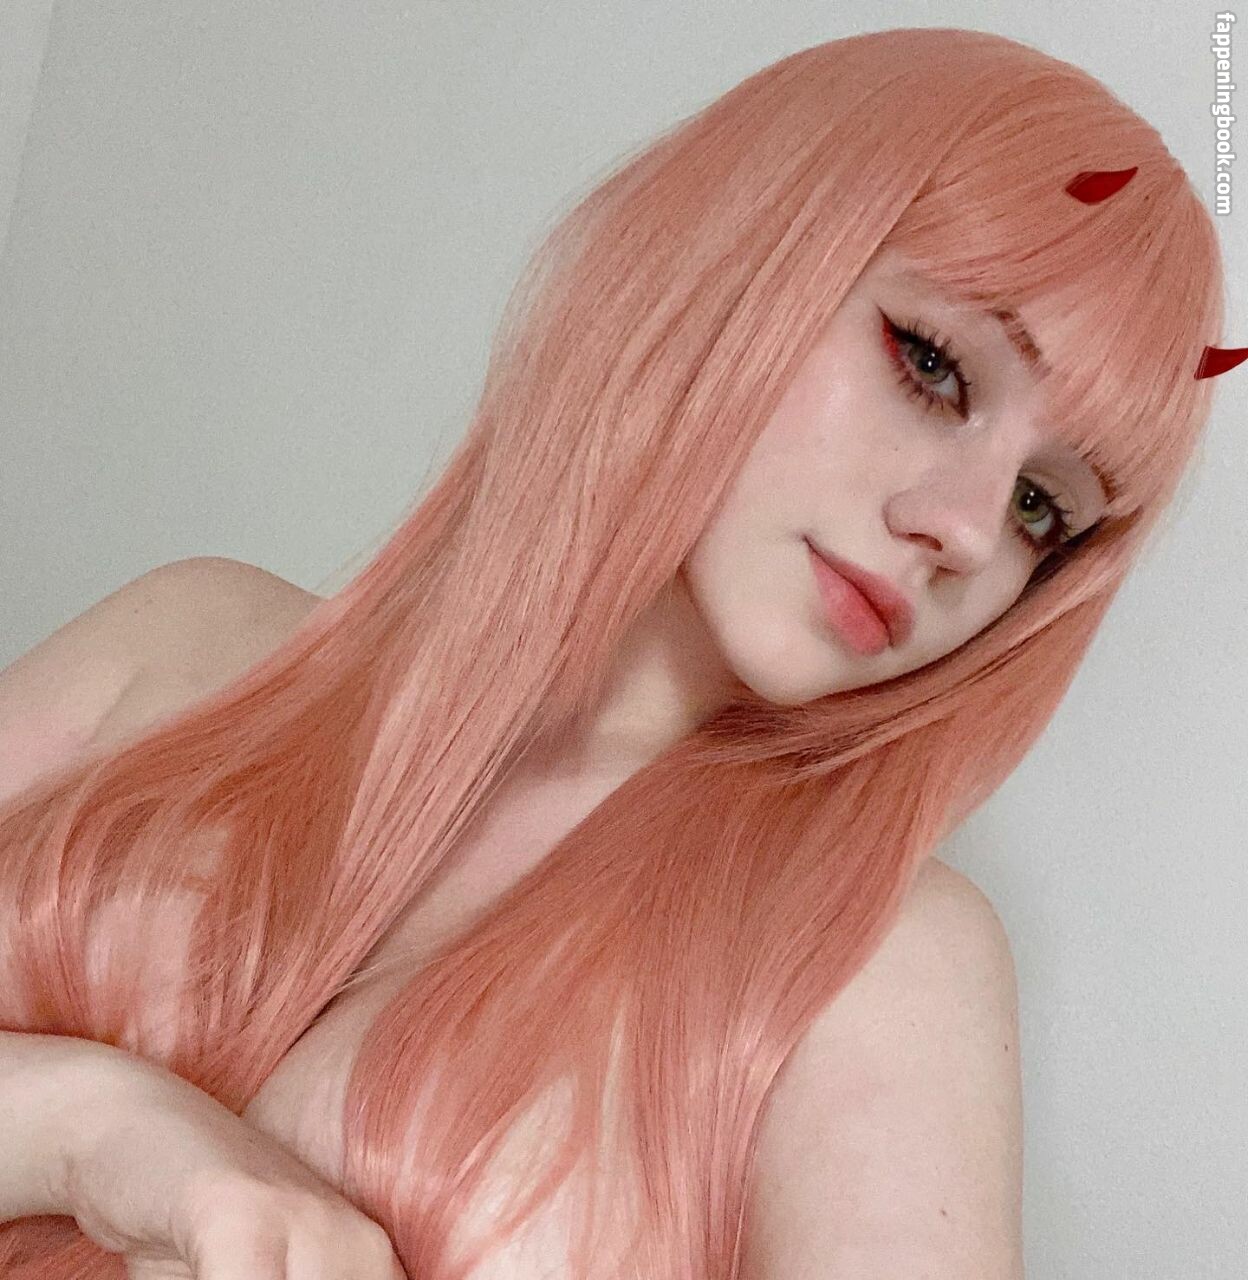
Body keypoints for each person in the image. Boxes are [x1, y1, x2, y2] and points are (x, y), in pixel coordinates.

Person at [0, 24, 1234, 1280]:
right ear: (745, 253)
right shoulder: (186, 642)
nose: (965, 531)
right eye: (933, 365)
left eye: (1040, 506)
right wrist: (100, 1130)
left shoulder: (879, 968)